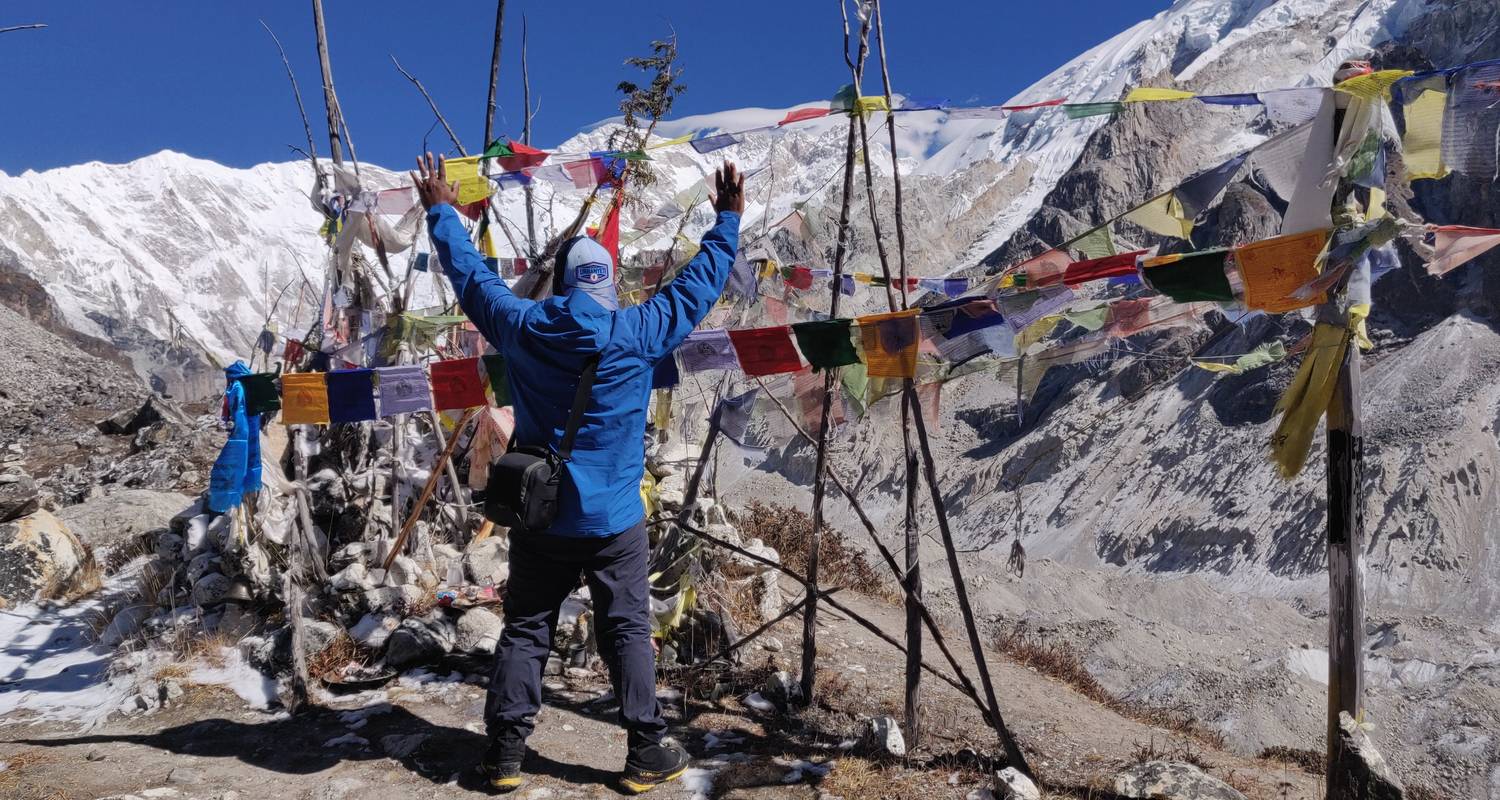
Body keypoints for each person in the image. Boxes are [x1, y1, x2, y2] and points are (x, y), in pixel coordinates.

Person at [412, 152, 744, 794]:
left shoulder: (523, 325)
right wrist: (727, 220)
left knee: (528, 626)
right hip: (617, 519)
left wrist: (441, 211)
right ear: (609, 284)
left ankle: (504, 756)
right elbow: (701, 282)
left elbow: (472, 279)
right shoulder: (641, 328)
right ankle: (646, 749)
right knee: (626, 628)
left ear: (562, 283)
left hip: (543, 514)